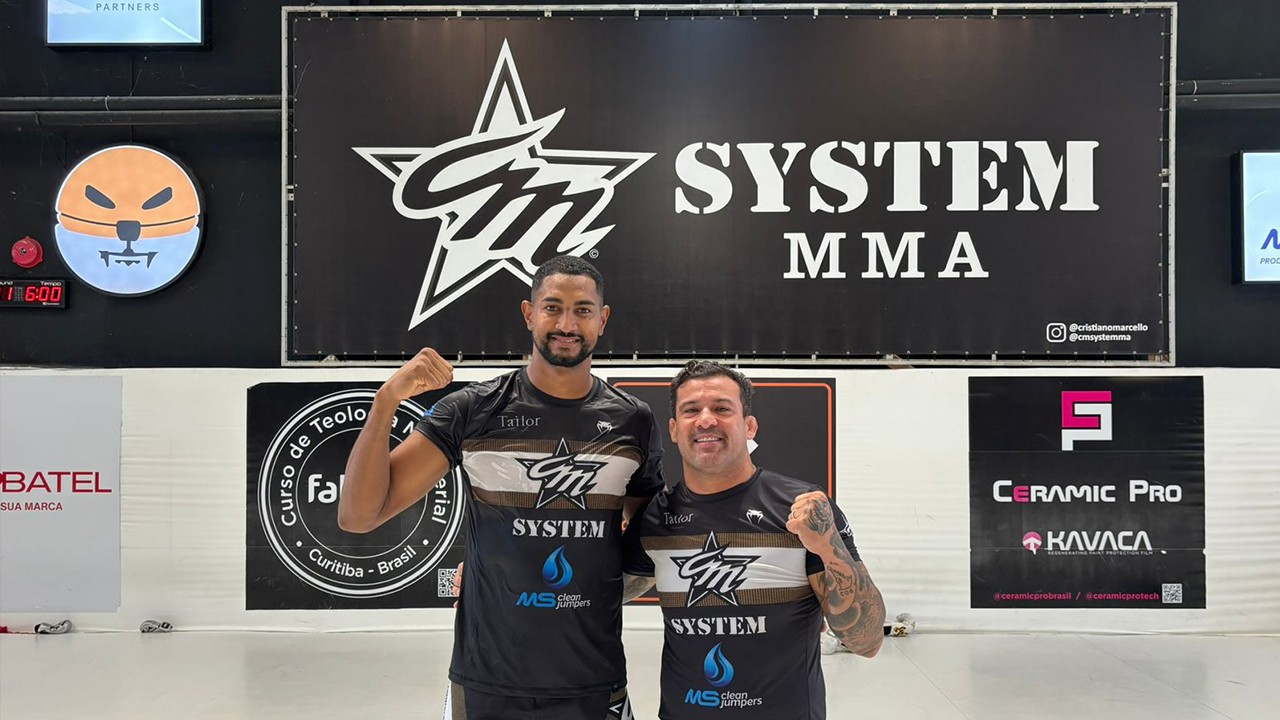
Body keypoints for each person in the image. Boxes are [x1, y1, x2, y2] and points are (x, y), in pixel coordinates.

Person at [339, 255, 665, 720]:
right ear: (529, 314)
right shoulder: (472, 410)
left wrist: (597, 589)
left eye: (582, 310)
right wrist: (384, 402)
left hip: (594, 681)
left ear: (603, 319)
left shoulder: (633, 421)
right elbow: (358, 515)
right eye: (552, 308)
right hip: (485, 682)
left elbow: (648, 543)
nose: (566, 324)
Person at [621, 360, 884, 719]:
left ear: (749, 426)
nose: (706, 420)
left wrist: (827, 546)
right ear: (674, 429)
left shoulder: (801, 508)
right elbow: (599, 596)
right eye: (691, 410)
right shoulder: (655, 519)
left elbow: (867, 641)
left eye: (722, 408)